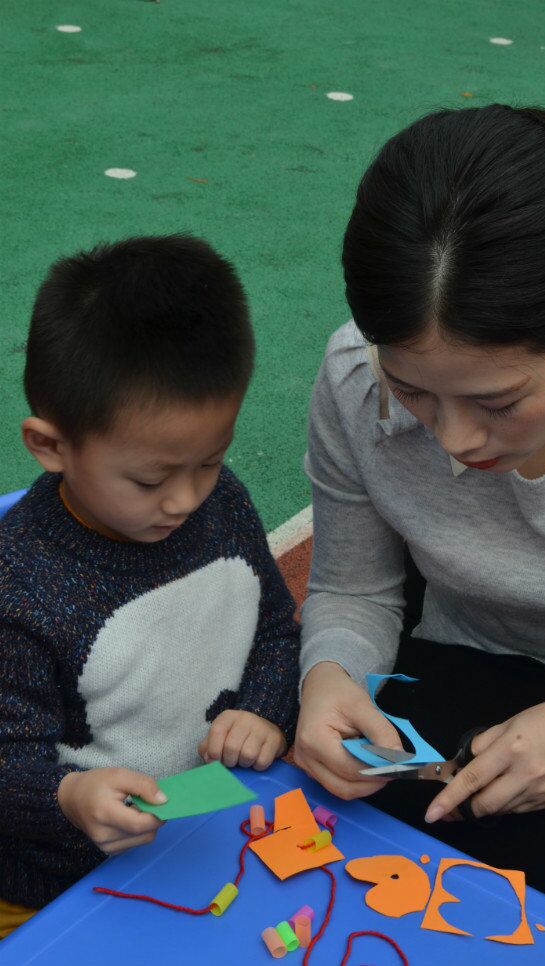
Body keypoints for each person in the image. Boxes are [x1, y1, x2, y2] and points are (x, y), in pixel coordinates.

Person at [294, 104, 545, 931]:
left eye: (499, 401)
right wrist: (330, 677)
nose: (452, 439)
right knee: (329, 839)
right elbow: (353, 587)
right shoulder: (354, 377)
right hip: (468, 652)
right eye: (412, 390)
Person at [0, 234, 300, 938]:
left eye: (210, 460)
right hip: (51, 888)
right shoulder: (19, 586)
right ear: (51, 445)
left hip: (203, 849)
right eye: (149, 479)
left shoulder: (223, 503)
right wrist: (68, 796)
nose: (187, 499)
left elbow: (276, 631)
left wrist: (264, 710)